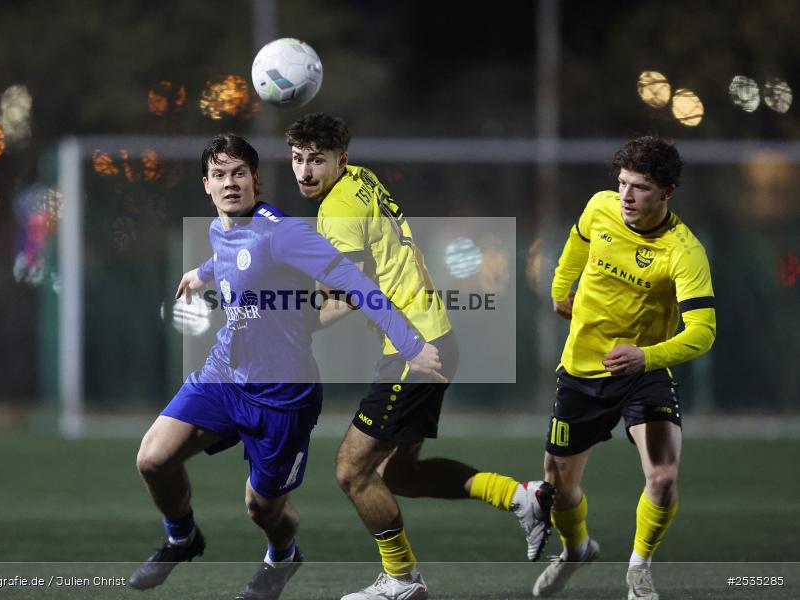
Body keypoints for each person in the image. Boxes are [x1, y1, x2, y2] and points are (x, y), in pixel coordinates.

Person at [128, 133, 444, 600]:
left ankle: (282, 557)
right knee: (152, 459)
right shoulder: (223, 227)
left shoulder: (284, 233)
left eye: (239, 173)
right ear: (206, 185)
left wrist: (410, 344)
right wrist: (201, 273)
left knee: (262, 509)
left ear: (255, 179)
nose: (230, 183)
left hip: (283, 397)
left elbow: (352, 281)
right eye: (220, 175)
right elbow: (231, 253)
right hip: (225, 375)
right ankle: (182, 538)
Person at [286, 113, 556, 600]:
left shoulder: (338, 209)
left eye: (317, 161)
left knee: (353, 470)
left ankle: (402, 579)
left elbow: (348, 295)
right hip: (435, 339)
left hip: (414, 348)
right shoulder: (360, 179)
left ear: (339, 160)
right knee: (399, 474)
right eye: (298, 159)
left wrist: (292, 323)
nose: (305, 171)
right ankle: (521, 496)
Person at [532, 136, 716, 600]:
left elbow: (703, 332)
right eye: (622, 184)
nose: (627, 197)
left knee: (664, 477)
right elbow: (576, 242)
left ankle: (639, 571)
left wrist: (646, 357)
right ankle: (577, 549)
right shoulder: (601, 208)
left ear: (667, 192)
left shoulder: (684, 251)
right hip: (580, 370)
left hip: (643, 372)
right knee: (558, 486)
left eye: (641, 187)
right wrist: (559, 290)